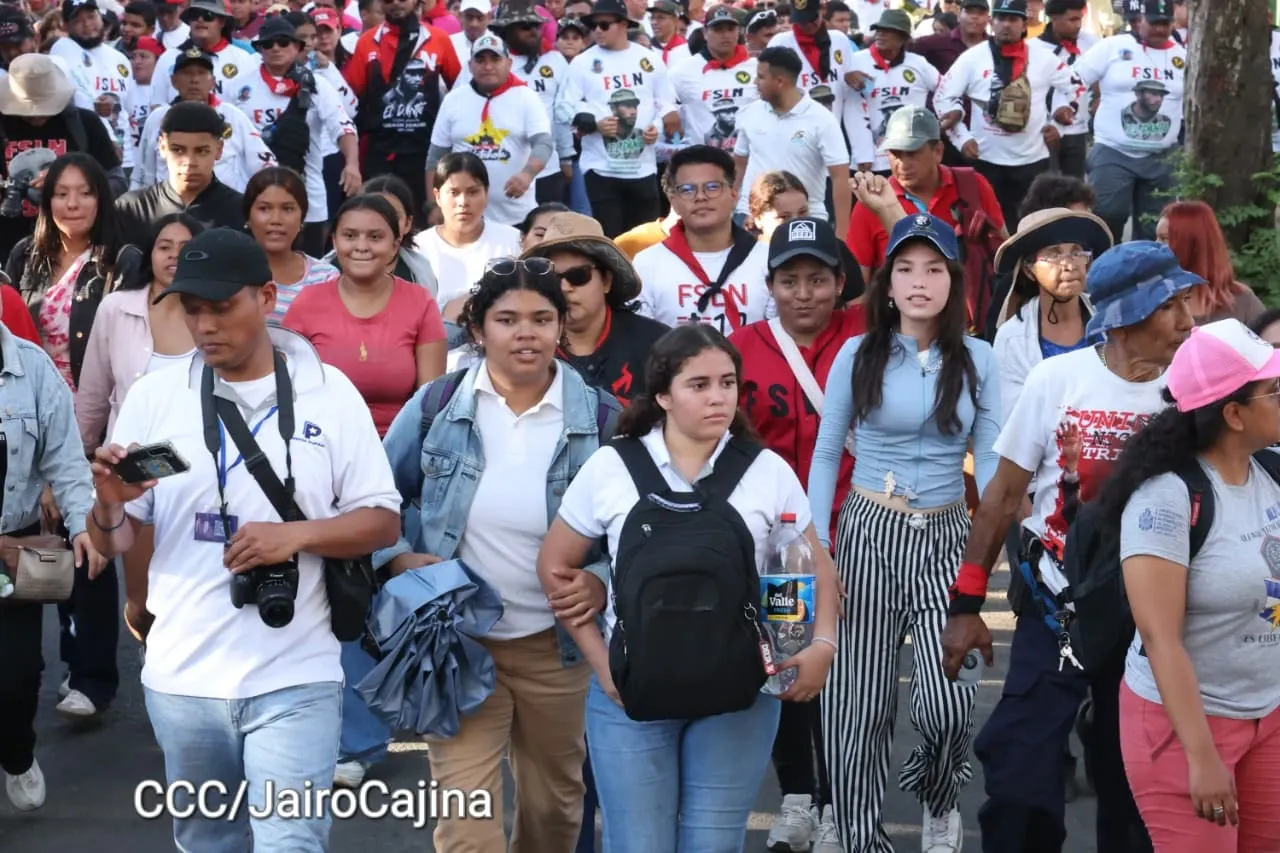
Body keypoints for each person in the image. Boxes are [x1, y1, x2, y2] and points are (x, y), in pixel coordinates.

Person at [86, 227, 401, 852]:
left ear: (265, 296)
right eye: (192, 308)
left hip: (297, 674)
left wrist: (295, 536)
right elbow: (116, 539)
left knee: (291, 843)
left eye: (221, 306)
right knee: (210, 842)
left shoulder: (328, 392)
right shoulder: (158, 397)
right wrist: (109, 505)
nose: (205, 324)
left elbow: (382, 521)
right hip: (183, 679)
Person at [940, 241, 1201, 853]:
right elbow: (1004, 495)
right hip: (1059, 607)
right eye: (1171, 307)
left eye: (1187, 304)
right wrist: (965, 605)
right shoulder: (1058, 379)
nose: (1188, 323)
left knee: (1133, 785)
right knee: (1020, 779)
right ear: (1126, 316)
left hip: (1151, 620)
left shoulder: (1193, 388)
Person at [539, 323, 840, 852]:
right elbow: (555, 566)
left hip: (739, 690)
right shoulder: (613, 466)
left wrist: (821, 643)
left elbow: (813, 566)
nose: (717, 396)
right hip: (630, 690)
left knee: (713, 844)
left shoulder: (765, 470)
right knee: (637, 845)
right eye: (698, 385)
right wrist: (600, 659)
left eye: (727, 382)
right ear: (662, 395)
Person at [375, 258, 622, 852]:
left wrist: (601, 581)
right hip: (454, 643)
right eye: (507, 319)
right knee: (466, 823)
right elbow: (375, 497)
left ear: (562, 328)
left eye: (542, 318)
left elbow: (635, 534)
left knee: (554, 810)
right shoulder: (437, 404)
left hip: (559, 648)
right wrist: (398, 557)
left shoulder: (605, 419)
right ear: (478, 329)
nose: (526, 333)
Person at [806, 213, 998, 853]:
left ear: (955, 281)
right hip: (867, 529)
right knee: (857, 702)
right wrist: (819, 549)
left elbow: (992, 458)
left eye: (935, 268)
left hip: (947, 533)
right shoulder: (857, 355)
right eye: (907, 268)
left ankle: (941, 797)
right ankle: (858, 830)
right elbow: (828, 451)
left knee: (949, 700)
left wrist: (993, 543)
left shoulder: (979, 359)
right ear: (886, 283)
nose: (920, 282)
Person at [1092, 319, 1280, 853]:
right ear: (1234, 414)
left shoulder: (1271, 470)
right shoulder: (1166, 498)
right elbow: (1160, 638)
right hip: (1183, 728)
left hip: (1268, 718)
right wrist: (1201, 757)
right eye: (1276, 390)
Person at [729, 216, 863, 852]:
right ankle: (797, 799)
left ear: (841, 283)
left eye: (817, 278)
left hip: (859, 530)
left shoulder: (871, 338)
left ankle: (841, 802)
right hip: (777, 544)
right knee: (786, 662)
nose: (803, 292)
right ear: (771, 284)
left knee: (847, 668)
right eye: (790, 279)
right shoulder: (742, 346)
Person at [76, 212, 203, 644]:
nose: (174, 256)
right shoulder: (116, 307)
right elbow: (93, 394)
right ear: (150, 252)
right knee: (143, 599)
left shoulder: (211, 311)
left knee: (190, 585)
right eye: (165, 246)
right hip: (136, 467)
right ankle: (152, 651)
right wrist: (74, 464)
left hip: (197, 465)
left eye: (186, 249)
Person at [0, 290, 103, 812]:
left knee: (16, 681)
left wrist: (84, 524)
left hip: (12, 554)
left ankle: (16, 753)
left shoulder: (32, 367)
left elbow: (66, 459)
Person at [284, 194, 447, 436]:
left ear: (395, 245)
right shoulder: (307, 302)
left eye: (375, 237)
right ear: (335, 241)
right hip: (322, 443)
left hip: (396, 447)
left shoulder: (420, 302)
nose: (361, 246)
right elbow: (288, 393)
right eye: (350, 236)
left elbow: (430, 404)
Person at [934, 0, 1083, 231]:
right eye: (1001, 18)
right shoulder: (972, 57)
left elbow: (1076, 86)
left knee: (1033, 227)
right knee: (986, 228)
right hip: (985, 159)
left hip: (1033, 160)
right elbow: (943, 96)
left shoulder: (1043, 58)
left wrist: (1059, 121)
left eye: (1013, 19)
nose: (1006, 25)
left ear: (1024, 24)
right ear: (992, 22)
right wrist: (961, 138)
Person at [233, 16, 360, 255]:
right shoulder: (239, 88)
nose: (276, 48)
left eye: (283, 42)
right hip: (253, 195)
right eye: (268, 44)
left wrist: (352, 164)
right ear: (259, 49)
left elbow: (343, 127)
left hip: (308, 196)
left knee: (308, 269)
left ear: (297, 47)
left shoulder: (318, 86)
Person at [521, 210, 669, 404]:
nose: (564, 288)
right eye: (552, 278)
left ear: (606, 281)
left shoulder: (657, 345)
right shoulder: (526, 346)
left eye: (578, 276)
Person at [561, 0, 677, 237]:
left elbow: (664, 104)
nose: (597, 31)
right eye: (593, 26)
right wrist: (594, 124)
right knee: (610, 240)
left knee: (645, 241)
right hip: (601, 168)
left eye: (604, 25)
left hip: (643, 168)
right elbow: (563, 108)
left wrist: (657, 129)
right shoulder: (582, 63)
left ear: (623, 24)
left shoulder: (649, 60)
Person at [1074, 0, 1186, 242]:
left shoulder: (1182, 56)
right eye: (1154, 23)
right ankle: (1101, 272)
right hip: (1114, 151)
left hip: (1162, 156)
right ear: (1138, 20)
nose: (1160, 29)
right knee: (1107, 216)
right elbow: (1075, 78)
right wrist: (1069, 108)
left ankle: (1145, 275)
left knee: (1156, 226)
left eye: (1165, 23)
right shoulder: (1112, 47)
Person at [635, 145, 773, 333]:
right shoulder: (647, 264)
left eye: (712, 187)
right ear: (674, 200)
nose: (700, 197)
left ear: (734, 194)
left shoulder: (767, 260)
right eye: (688, 190)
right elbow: (640, 340)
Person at [344, 0, 463, 216]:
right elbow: (351, 96)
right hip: (379, 151)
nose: (396, 3)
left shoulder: (439, 39)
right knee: (378, 216)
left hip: (424, 151)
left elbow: (460, 90)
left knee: (423, 221)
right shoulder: (367, 42)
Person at [0, 53, 123, 261]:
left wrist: (70, 185)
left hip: (76, 248)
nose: (36, 116)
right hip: (8, 246)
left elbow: (117, 182)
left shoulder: (84, 124)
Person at [990, 206, 1113, 414]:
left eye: (1076, 252)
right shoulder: (1012, 338)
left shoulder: (1111, 321)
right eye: (1054, 255)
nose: (1069, 265)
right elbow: (1013, 417)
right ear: (1030, 270)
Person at [428, 31, 551, 228]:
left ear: (509, 64)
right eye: (481, 59)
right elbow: (435, 157)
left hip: (515, 216)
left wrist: (527, 174)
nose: (488, 66)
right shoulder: (454, 99)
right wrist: (433, 204)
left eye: (495, 59)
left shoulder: (526, 97)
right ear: (470, 66)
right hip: (462, 215)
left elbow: (543, 144)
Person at [732, 46, 851, 238]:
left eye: (761, 77)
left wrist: (843, 233)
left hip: (805, 221)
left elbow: (840, 178)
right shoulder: (750, 113)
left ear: (779, 81)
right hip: (751, 220)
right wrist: (735, 208)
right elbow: (739, 165)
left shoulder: (822, 120)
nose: (755, 82)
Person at [131, 43, 276, 192]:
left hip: (225, 206)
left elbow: (263, 163)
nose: (194, 79)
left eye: (201, 73)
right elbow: (143, 174)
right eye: (187, 73)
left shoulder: (232, 115)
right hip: (171, 208)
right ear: (173, 81)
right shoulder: (158, 118)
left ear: (212, 81)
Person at [412, 153, 523, 322]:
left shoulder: (512, 242)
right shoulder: (419, 248)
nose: (463, 202)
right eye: (454, 192)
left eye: (473, 192)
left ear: (486, 194)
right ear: (437, 196)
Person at [116, 101, 248, 234]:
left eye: (201, 151)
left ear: (219, 150)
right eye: (178, 150)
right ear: (162, 146)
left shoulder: (243, 212)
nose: (189, 161)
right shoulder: (131, 210)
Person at [493, 0, 575, 205]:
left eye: (537, 26)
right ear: (505, 30)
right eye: (525, 26)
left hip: (548, 167)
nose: (534, 32)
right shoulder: (489, 63)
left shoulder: (555, 60)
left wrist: (565, 157)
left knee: (548, 230)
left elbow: (562, 112)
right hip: (503, 168)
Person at [844, 9, 940, 174]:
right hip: (869, 159)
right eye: (879, 30)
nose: (880, 35)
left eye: (888, 31)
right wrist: (862, 153)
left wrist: (941, 122)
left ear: (903, 37)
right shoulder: (855, 62)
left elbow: (945, 89)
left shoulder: (918, 63)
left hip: (910, 157)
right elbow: (851, 111)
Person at [241, 167, 339, 324]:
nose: (276, 220)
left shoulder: (325, 278)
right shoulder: (228, 273)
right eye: (264, 209)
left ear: (302, 218)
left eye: (287, 209)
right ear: (248, 217)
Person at [1155, 201, 1266, 328]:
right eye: (1156, 238)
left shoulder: (1242, 301)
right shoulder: (1149, 297)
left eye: (1164, 239)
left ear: (1192, 244)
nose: (1154, 246)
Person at [668, 5, 758, 152]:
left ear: (739, 31)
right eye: (718, 29)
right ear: (705, 33)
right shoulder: (682, 71)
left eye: (730, 29)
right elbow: (661, 104)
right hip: (702, 162)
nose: (725, 35)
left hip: (747, 160)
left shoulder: (755, 67)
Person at [148, 0, 258, 105]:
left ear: (222, 22)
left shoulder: (243, 59)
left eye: (208, 15)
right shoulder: (169, 58)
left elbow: (250, 106)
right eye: (195, 15)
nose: (200, 20)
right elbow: (157, 104)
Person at [1038, 0, 1096, 178]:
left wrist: (1098, 96)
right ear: (1054, 18)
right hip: (1044, 131)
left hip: (1077, 129)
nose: (1078, 25)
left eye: (1080, 19)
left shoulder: (1092, 44)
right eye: (1072, 20)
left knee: (1075, 187)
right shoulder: (1034, 49)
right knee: (1047, 186)